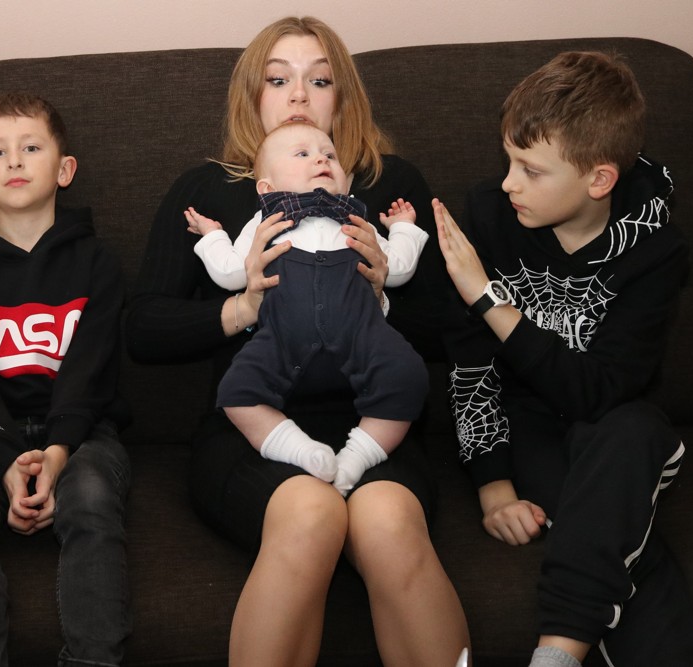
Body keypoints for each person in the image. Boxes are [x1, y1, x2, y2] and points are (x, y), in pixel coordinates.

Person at [126, 16, 470, 667]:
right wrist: (244, 306)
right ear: (252, 95)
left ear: (343, 98)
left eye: (320, 80)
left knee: (388, 523)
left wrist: (380, 295)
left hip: (377, 426)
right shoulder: (209, 192)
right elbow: (142, 329)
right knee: (312, 513)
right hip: (250, 431)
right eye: (279, 80)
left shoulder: (389, 188)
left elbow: (451, 329)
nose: (299, 97)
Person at [435, 51, 693, 667]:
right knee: (623, 548)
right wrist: (494, 489)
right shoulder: (487, 215)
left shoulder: (657, 251)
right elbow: (469, 363)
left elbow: (599, 391)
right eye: (509, 160)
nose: (508, 183)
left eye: (530, 170)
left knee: (632, 430)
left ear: (599, 179)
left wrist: (487, 299)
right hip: (528, 429)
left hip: (615, 427)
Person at [0, 92, 132, 667]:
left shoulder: (97, 263)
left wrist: (59, 452)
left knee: (90, 499)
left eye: (31, 148)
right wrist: (5, 459)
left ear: (64, 170)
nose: (14, 160)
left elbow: (89, 374)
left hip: (86, 433)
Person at [186, 122, 429, 493]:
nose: (321, 159)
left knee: (409, 377)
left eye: (329, 155)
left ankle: (357, 457)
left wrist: (403, 230)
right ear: (266, 188)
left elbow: (396, 269)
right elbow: (231, 272)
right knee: (236, 392)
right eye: (303, 153)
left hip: (363, 335)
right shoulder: (264, 223)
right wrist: (214, 236)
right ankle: (301, 451)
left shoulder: (357, 220)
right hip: (282, 337)